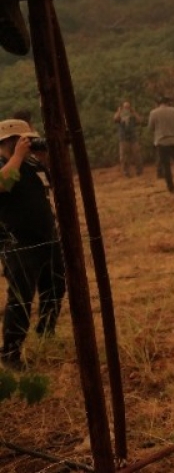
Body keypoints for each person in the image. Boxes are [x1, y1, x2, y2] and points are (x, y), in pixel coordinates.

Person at [0, 118, 66, 371]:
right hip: (19, 243)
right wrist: (17, 156)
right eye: (23, 139)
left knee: (55, 288)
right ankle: (11, 352)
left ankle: (45, 335)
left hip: (47, 237)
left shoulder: (33, 164)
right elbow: (3, 185)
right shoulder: (5, 163)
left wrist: (44, 158)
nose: (28, 143)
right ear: (9, 142)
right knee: (21, 298)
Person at [147, 96, 174, 193]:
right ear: (168, 103)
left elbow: (150, 127)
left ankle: (171, 188)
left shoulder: (153, 113)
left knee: (166, 166)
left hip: (161, 141)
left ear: (158, 103)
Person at [113, 101, 143, 178]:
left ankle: (139, 171)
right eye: (125, 107)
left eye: (128, 107)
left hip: (133, 138)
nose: (126, 109)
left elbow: (140, 120)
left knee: (137, 155)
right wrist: (119, 111)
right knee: (124, 157)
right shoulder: (120, 116)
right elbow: (115, 119)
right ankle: (126, 173)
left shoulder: (132, 116)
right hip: (123, 138)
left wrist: (134, 112)